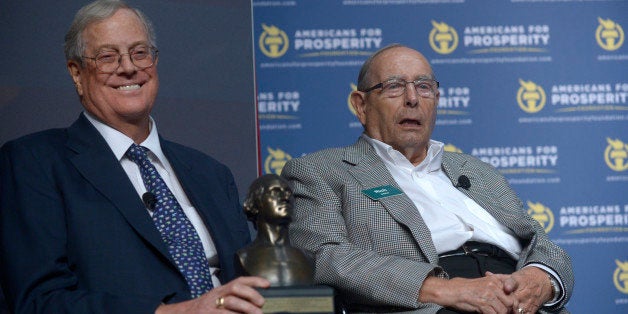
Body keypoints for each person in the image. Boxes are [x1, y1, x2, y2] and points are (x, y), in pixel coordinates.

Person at [0, 1, 269, 313]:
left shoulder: (211, 174)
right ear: (76, 72)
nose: (128, 67)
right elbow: (38, 301)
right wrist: (175, 312)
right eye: (107, 56)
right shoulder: (35, 163)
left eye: (139, 53)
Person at [281, 44, 574, 314]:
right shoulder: (322, 170)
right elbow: (323, 257)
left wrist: (539, 279)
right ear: (361, 105)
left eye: (424, 87)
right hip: (434, 302)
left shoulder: (476, 170)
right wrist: (446, 290)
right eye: (394, 87)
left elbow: (538, 239)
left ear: (436, 99)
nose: (412, 99)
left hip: (516, 299)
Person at [237, 174, 314, 287]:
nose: (285, 197)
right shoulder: (244, 257)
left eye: (288, 192)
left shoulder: (309, 257)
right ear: (254, 204)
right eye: (275, 191)